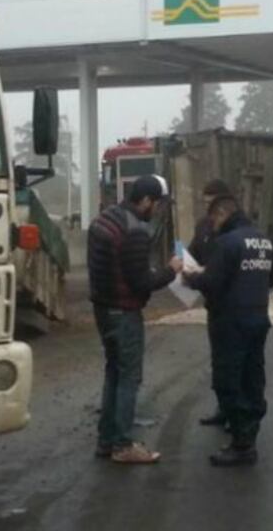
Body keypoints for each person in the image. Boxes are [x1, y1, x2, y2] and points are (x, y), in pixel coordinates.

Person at [87, 174, 182, 464]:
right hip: (125, 313)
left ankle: (107, 440)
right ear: (145, 201)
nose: (158, 210)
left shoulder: (104, 220)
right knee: (129, 377)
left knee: (113, 373)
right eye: (157, 204)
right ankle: (123, 445)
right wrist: (170, 270)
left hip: (103, 310)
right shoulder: (135, 230)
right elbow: (141, 282)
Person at [185, 196, 273, 467]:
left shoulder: (227, 243)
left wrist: (191, 277)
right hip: (258, 318)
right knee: (253, 376)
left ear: (223, 213)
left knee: (228, 379)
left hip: (229, 321)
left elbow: (212, 283)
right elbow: (271, 278)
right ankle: (251, 431)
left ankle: (242, 444)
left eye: (213, 218)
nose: (211, 224)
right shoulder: (265, 241)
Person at [188, 179, 233, 428]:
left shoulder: (236, 229)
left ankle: (235, 412)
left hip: (233, 305)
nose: (208, 210)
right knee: (218, 359)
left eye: (211, 204)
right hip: (213, 305)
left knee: (234, 361)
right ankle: (222, 407)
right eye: (205, 204)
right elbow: (193, 254)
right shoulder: (203, 226)